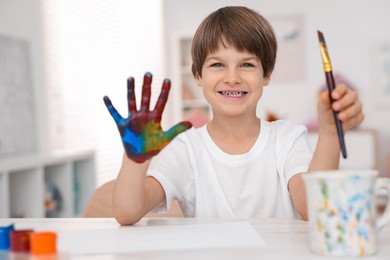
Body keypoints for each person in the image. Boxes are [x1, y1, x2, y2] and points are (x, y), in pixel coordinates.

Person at [103, 6, 364, 225]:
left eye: (247, 65)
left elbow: (312, 208)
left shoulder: (287, 139)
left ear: (266, 75)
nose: (232, 78)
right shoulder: (186, 148)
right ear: (198, 76)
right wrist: (135, 161)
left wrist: (330, 132)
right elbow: (128, 213)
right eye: (217, 65)